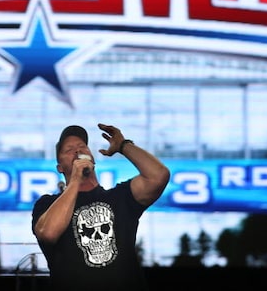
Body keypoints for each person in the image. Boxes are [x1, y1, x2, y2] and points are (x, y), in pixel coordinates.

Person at [31, 123, 170, 291]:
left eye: (82, 147)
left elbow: (158, 176)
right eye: (68, 150)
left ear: (93, 159)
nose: (77, 151)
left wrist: (124, 146)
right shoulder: (47, 204)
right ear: (60, 168)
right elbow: (48, 232)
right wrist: (75, 180)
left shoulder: (120, 197)